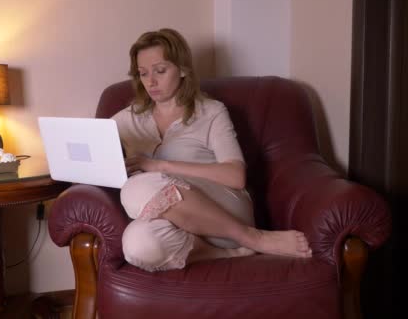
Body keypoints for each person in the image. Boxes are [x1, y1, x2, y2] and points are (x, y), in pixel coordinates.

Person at [112, 28, 312, 272]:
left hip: (225, 212)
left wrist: (159, 166)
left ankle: (253, 237)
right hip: (176, 225)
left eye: (160, 71)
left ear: (183, 69)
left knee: (135, 187)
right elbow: (91, 142)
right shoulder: (129, 118)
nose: (151, 81)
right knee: (136, 244)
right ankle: (225, 254)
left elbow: (235, 176)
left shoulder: (211, 112)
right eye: (143, 74)